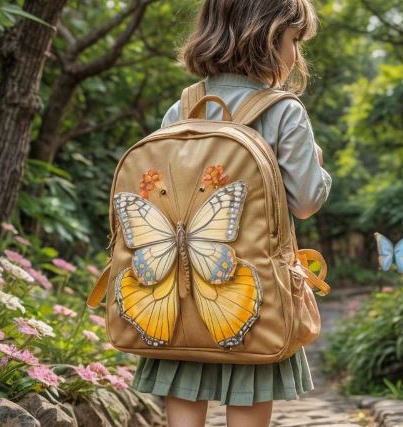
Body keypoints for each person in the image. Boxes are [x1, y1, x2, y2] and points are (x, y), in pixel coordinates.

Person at [130, 1, 332, 426]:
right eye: (294, 40)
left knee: (185, 376)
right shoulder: (283, 111)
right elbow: (307, 202)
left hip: (180, 295)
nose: (296, 54)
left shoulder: (182, 108)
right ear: (268, 34)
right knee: (250, 383)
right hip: (251, 293)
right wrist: (317, 162)